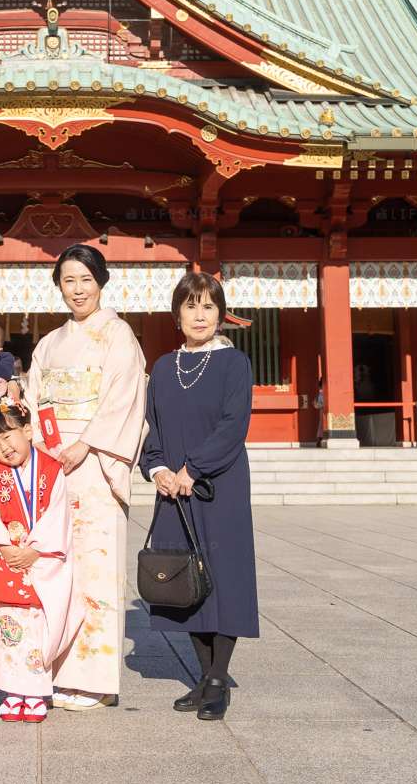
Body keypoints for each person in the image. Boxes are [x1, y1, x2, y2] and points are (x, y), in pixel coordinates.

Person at [23, 244, 147, 710]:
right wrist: (42, 444)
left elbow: (123, 398)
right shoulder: (49, 343)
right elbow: (36, 399)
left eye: (85, 280)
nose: (77, 290)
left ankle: (95, 678)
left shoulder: (118, 335)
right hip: (54, 461)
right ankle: (54, 669)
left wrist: (85, 444)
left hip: (95, 462)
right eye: (68, 281)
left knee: (97, 567)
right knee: (57, 568)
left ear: (101, 282)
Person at [141, 271, 259, 721]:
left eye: (208, 306)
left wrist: (194, 468)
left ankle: (217, 679)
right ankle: (204, 676)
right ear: (177, 314)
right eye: (191, 306)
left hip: (219, 485)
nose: (200, 315)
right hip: (173, 489)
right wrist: (158, 469)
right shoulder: (163, 368)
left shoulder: (234, 364)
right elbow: (151, 427)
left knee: (223, 575)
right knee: (182, 578)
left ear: (221, 315)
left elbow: (233, 426)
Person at [0, 402, 83, 723]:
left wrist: (35, 551)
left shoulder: (52, 470)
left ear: (27, 431)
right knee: (7, 630)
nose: (3, 448)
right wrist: (2, 546)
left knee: (37, 629)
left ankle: (35, 693)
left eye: (7, 437)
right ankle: (11, 692)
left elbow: (58, 515)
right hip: (6, 561)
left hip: (41, 563)